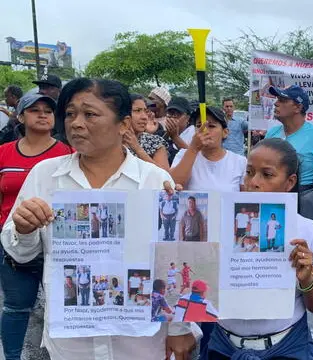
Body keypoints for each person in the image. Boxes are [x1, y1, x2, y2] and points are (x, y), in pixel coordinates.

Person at [0, 78, 198, 360]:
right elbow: (21, 253)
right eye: (70, 114)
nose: (76, 123)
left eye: (90, 114)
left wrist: (179, 327)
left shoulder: (155, 180)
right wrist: (24, 227)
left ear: (123, 124)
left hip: (139, 341)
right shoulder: (45, 175)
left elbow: (173, 259)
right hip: (72, 343)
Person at [206, 138, 313, 359]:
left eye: (267, 175)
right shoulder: (217, 223)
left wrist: (307, 280)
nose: (254, 182)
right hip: (223, 345)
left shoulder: (307, 231)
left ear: (290, 182)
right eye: (249, 172)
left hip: (286, 348)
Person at [0, 93, 74, 360]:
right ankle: (11, 356)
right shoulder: (4, 152)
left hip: (58, 244)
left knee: (62, 305)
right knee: (16, 307)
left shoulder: (69, 154)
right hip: (15, 240)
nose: (42, 114)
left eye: (48, 110)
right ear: (20, 116)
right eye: (34, 110)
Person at [265, 85, 313, 230]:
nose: (276, 103)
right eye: (277, 99)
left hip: (303, 202)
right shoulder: (271, 134)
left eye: (282, 100)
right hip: (272, 199)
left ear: (298, 107)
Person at [170, 106, 246, 192]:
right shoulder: (183, 155)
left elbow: (245, 199)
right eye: (199, 126)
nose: (204, 130)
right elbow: (173, 184)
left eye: (211, 126)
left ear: (225, 132)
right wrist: (193, 149)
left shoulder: (240, 162)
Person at [123, 94, 170, 171]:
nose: (144, 117)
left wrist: (137, 149)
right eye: (138, 111)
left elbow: (165, 177)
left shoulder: (154, 142)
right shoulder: (110, 141)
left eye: (146, 111)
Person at [164, 97, 195, 164]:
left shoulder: (193, 133)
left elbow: (193, 158)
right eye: (170, 113)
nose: (172, 118)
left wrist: (175, 137)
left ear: (187, 118)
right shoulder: (162, 133)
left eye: (177, 114)